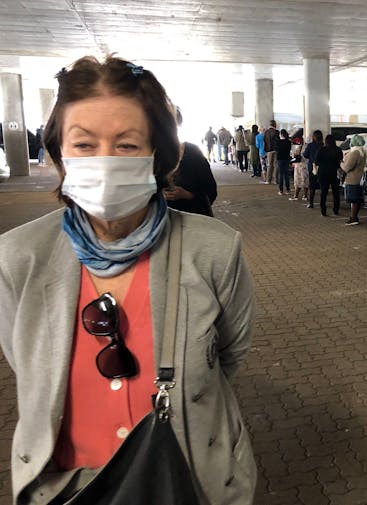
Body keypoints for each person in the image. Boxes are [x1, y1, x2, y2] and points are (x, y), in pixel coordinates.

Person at [0, 56, 256, 503]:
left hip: (186, 482)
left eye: (126, 145)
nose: (104, 161)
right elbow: (31, 366)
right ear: (59, 151)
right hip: (63, 490)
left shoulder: (214, 249)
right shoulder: (18, 258)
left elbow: (226, 358)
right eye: (84, 144)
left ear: (158, 153)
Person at [164, 107, 217, 216]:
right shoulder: (148, 156)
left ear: (178, 124)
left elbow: (211, 191)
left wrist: (187, 195)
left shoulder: (193, 153)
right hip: (158, 226)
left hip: (192, 222)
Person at [314, 134, 343, 216]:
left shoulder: (321, 150)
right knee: (336, 192)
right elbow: (341, 160)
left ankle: (323, 210)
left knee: (323, 193)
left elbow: (316, 162)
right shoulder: (338, 150)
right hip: (334, 173)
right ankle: (336, 209)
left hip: (323, 173)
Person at [341, 134, 366, 225]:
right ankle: (354, 217)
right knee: (356, 199)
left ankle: (353, 217)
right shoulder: (362, 151)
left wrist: (341, 163)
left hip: (352, 179)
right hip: (359, 178)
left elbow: (347, 167)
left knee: (353, 199)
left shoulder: (355, 152)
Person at [302, 130, 324, 208]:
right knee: (322, 186)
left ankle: (311, 203)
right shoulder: (323, 145)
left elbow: (305, 155)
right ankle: (322, 203)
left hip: (312, 168)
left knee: (312, 185)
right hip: (322, 168)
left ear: (313, 137)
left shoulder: (310, 145)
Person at [276, 129, 292, 195]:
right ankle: (288, 190)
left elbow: (276, 150)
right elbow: (289, 150)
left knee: (280, 174)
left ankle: (281, 190)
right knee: (286, 174)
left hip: (280, 159)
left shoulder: (278, 142)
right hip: (287, 159)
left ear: (281, 134)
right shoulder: (288, 142)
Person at [264, 120, 279, 184]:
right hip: (276, 150)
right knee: (276, 165)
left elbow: (264, 141)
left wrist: (266, 150)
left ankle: (268, 180)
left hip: (269, 151)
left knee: (269, 165)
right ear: (275, 124)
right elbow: (278, 141)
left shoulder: (266, 132)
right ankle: (275, 180)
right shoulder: (277, 132)